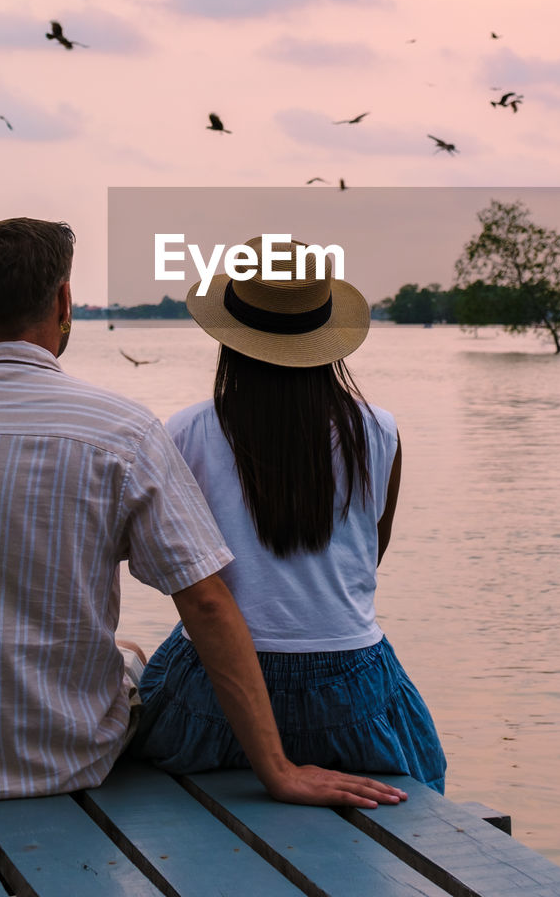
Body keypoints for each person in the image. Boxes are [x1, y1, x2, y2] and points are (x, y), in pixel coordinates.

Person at [0, 218, 405, 808]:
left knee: (136, 658)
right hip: (60, 757)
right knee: (133, 659)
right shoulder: (121, 432)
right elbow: (214, 599)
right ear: (65, 301)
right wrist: (278, 769)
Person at [132, 235, 447, 791]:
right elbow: (368, 560)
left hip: (216, 696)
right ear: (327, 338)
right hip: (351, 695)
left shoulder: (185, 433)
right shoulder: (380, 432)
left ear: (229, 335)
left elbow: (178, 578)